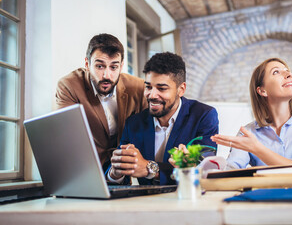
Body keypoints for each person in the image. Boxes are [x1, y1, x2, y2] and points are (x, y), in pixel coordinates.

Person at [106, 52, 219, 185]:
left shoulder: (204, 116)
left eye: (162, 88)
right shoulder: (134, 123)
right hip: (144, 203)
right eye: (148, 87)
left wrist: (150, 169)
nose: (152, 95)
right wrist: (115, 173)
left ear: (181, 89)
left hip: (188, 201)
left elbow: (204, 169)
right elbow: (118, 180)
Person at [211, 58, 292, 168]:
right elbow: (231, 170)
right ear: (262, 91)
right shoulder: (248, 133)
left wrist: (257, 149)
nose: (288, 75)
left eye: (287, 71)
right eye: (276, 72)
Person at [56, 33, 147, 171]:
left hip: (123, 173)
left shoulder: (138, 88)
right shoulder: (68, 86)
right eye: (100, 66)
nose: (106, 75)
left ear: (121, 66)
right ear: (87, 64)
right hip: (84, 169)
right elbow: (69, 138)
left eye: (113, 67)